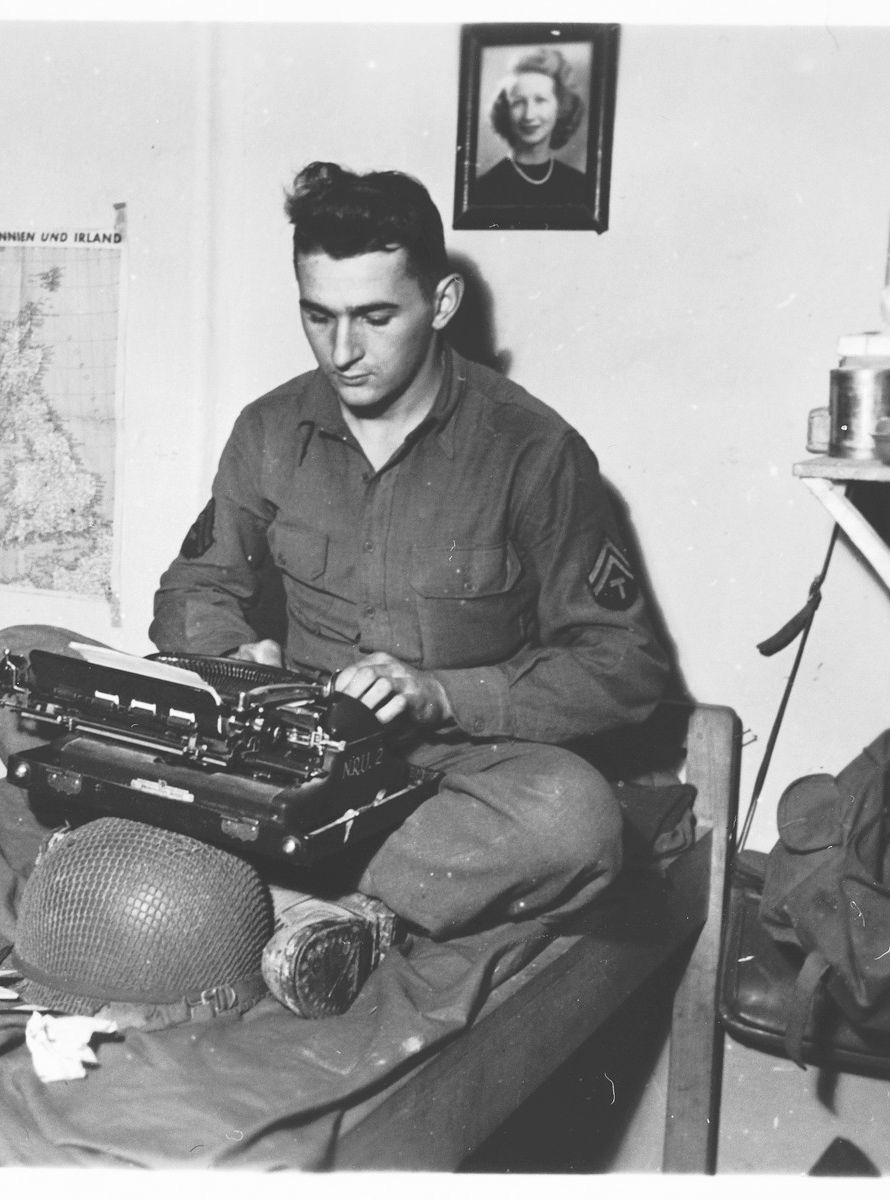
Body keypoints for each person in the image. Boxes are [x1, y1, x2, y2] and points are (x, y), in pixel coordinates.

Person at [141, 160, 669, 939]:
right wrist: (235, 659)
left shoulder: (533, 451)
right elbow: (192, 591)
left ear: (442, 302)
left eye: (376, 317)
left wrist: (443, 693)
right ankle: (297, 877)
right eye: (318, 317)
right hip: (284, 748)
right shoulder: (268, 429)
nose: (343, 351)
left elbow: (624, 668)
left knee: (574, 819)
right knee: (10, 658)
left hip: (442, 769)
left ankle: (268, 874)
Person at [472, 47, 592, 209]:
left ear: (561, 107)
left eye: (540, 100)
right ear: (505, 109)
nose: (529, 115)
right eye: (518, 102)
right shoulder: (482, 190)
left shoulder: (581, 186)